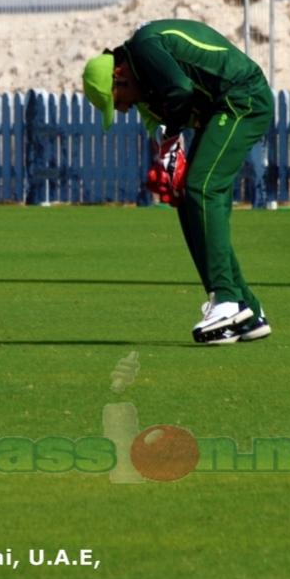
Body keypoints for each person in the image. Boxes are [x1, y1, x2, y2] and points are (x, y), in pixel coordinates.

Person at [82, 19, 274, 345]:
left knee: (201, 188)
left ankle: (227, 300)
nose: (125, 109)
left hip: (243, 97)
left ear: (119, 77)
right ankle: (247, 310)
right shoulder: (145, 79)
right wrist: (168, 159)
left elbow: (181, 90)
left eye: (118, 101)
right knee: (189, 196)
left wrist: (171, 140)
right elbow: (178, 108)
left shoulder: (144, 46)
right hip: (223, 107)